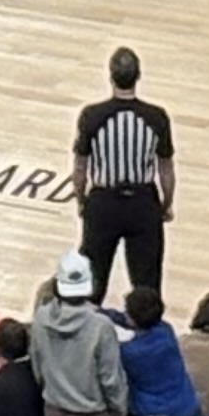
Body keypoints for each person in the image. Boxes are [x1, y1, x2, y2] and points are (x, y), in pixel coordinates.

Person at [72, 53, 175, 301]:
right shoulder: (156, 116)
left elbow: (80, 168)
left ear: (110, 76)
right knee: (147, 287)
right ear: (138, 77)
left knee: (91, 284)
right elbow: (166, 170)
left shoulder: (91, 116)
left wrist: (81, 201)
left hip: (103, 203)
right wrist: (166, 204)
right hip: (142, 202)